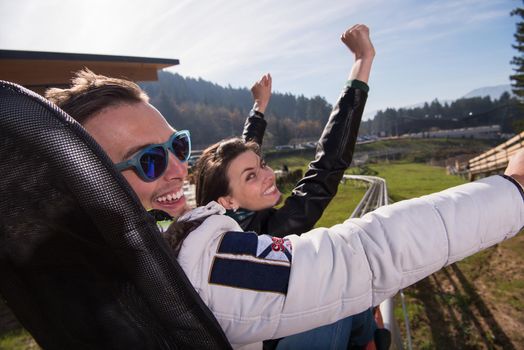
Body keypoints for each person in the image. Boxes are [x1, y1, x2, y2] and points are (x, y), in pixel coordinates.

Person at [45, 27, 524, 350]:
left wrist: (259, 111)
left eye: (179, 146)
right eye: (149, 160)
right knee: (354, 308)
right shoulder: (223, 249)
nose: (175, 168)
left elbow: (235, 158)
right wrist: (511, 191)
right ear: (91, 185)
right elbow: (347, 210)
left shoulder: (132, 249)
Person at [192, 24, 379, 349]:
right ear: (228, 200)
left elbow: (241, 156)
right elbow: (327, 165)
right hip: (268, 341)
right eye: (252, 176)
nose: (268, 175)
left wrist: (259, 107)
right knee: (345, 290)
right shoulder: (268, 235)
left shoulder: (211, 220)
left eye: (262, 165)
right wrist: (362, 62)